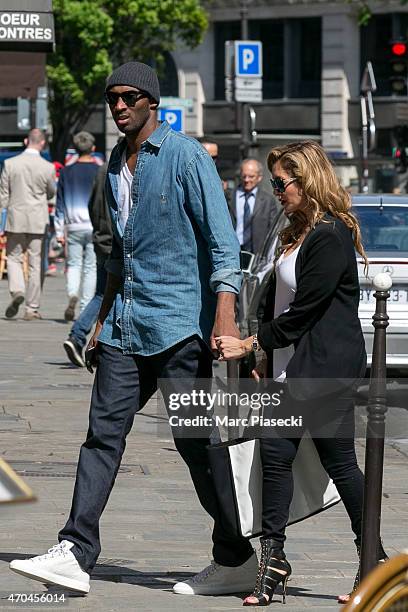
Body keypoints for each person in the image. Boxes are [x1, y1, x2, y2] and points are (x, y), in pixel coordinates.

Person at [10, 61, 258, 596]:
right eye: (112, 99)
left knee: (196, 444)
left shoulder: (186, 156)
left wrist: (223, 315)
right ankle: (76, 549)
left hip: (177, 328)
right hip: (124, 326)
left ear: (151, 100)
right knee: (102, 436)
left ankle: (237, 554)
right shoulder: (113, 165)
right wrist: (97, 319)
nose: (118, 106)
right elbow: (118, 256)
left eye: (127, 97)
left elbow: (222, 246)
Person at [215, 141, 387, 606]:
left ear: (307, 180)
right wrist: (264, 358)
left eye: (281, 183)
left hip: (325, 369)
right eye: (272, 183)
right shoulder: (292, 231)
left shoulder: (329, 235)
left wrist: (251, 344)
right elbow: (275, 301)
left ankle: (375, 562)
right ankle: (272, 567)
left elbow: (305, 310)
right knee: (275, 459)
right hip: (291, 369)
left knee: (341, 464)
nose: (276, 192)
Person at [0, 129, 55, 320]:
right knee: (35, 263)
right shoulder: (47, 167)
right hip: (38, 219)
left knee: (13, 258)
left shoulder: (10, 164)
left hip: (15, 218)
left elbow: (3, 195)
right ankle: (32, 308)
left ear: (26, 141)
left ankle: (17, 290)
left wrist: (2, 221)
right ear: (42, 143)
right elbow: (50, 193)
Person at [63, 164, 111, 367]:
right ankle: (82, 336)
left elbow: (92, 205)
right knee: (106, 293)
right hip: (116, 244)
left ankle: (82, 337)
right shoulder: (119, 168)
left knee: (103, 292)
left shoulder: (102, 169)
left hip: (101, 239)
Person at [55, 131, 99, 322]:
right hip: (94, 226)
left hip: (73, 226)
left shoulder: (65, 172)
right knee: (91, 267)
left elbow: (59, 204)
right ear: (93, 149)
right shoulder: (101, 170)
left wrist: (58, 231)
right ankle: (85, 308)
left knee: (73, 264)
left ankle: (73, 293)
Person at [226, 158, 278, 255]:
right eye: (244, 176)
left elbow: (273, 230)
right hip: (232, 251)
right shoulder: (229, 197)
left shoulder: (268, 200)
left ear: (259, 177)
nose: (246, 180)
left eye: (251, 177)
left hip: (257, 254)